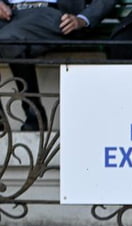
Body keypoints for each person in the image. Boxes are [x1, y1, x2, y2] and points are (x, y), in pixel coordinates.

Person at [0, 0, 117, 131]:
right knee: (9, 39)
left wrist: (83, 19)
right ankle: (33, 116)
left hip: (52, 14)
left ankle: (34, 114)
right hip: (9, 15)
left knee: (8, 39)